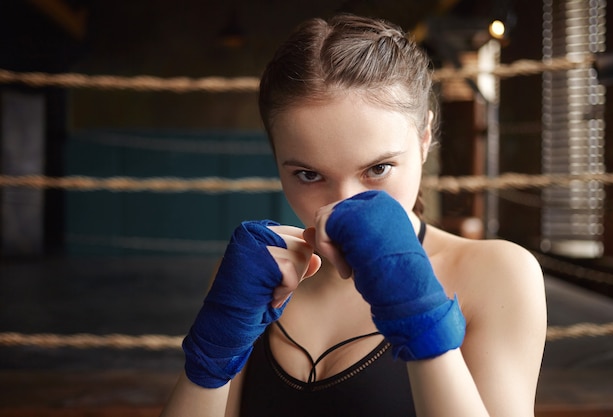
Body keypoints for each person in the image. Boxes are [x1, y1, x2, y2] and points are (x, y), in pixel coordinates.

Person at [160, 14, 546, 417]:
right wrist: (209, 360)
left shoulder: (498, 273)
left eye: (377, 169)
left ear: (425, 138)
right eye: (309, 174)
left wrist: (422, 320)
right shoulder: (255, 279)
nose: (343, 204)